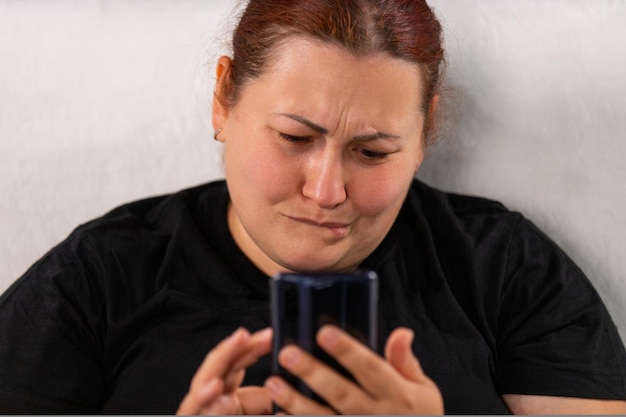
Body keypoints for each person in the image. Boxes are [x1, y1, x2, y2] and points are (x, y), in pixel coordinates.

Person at [1, 0, 625, 414]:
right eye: (294, 138)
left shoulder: (505, 269)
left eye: (373, 151)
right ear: (223, 100)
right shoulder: (100, 276)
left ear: (425, 131)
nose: (327, 191)